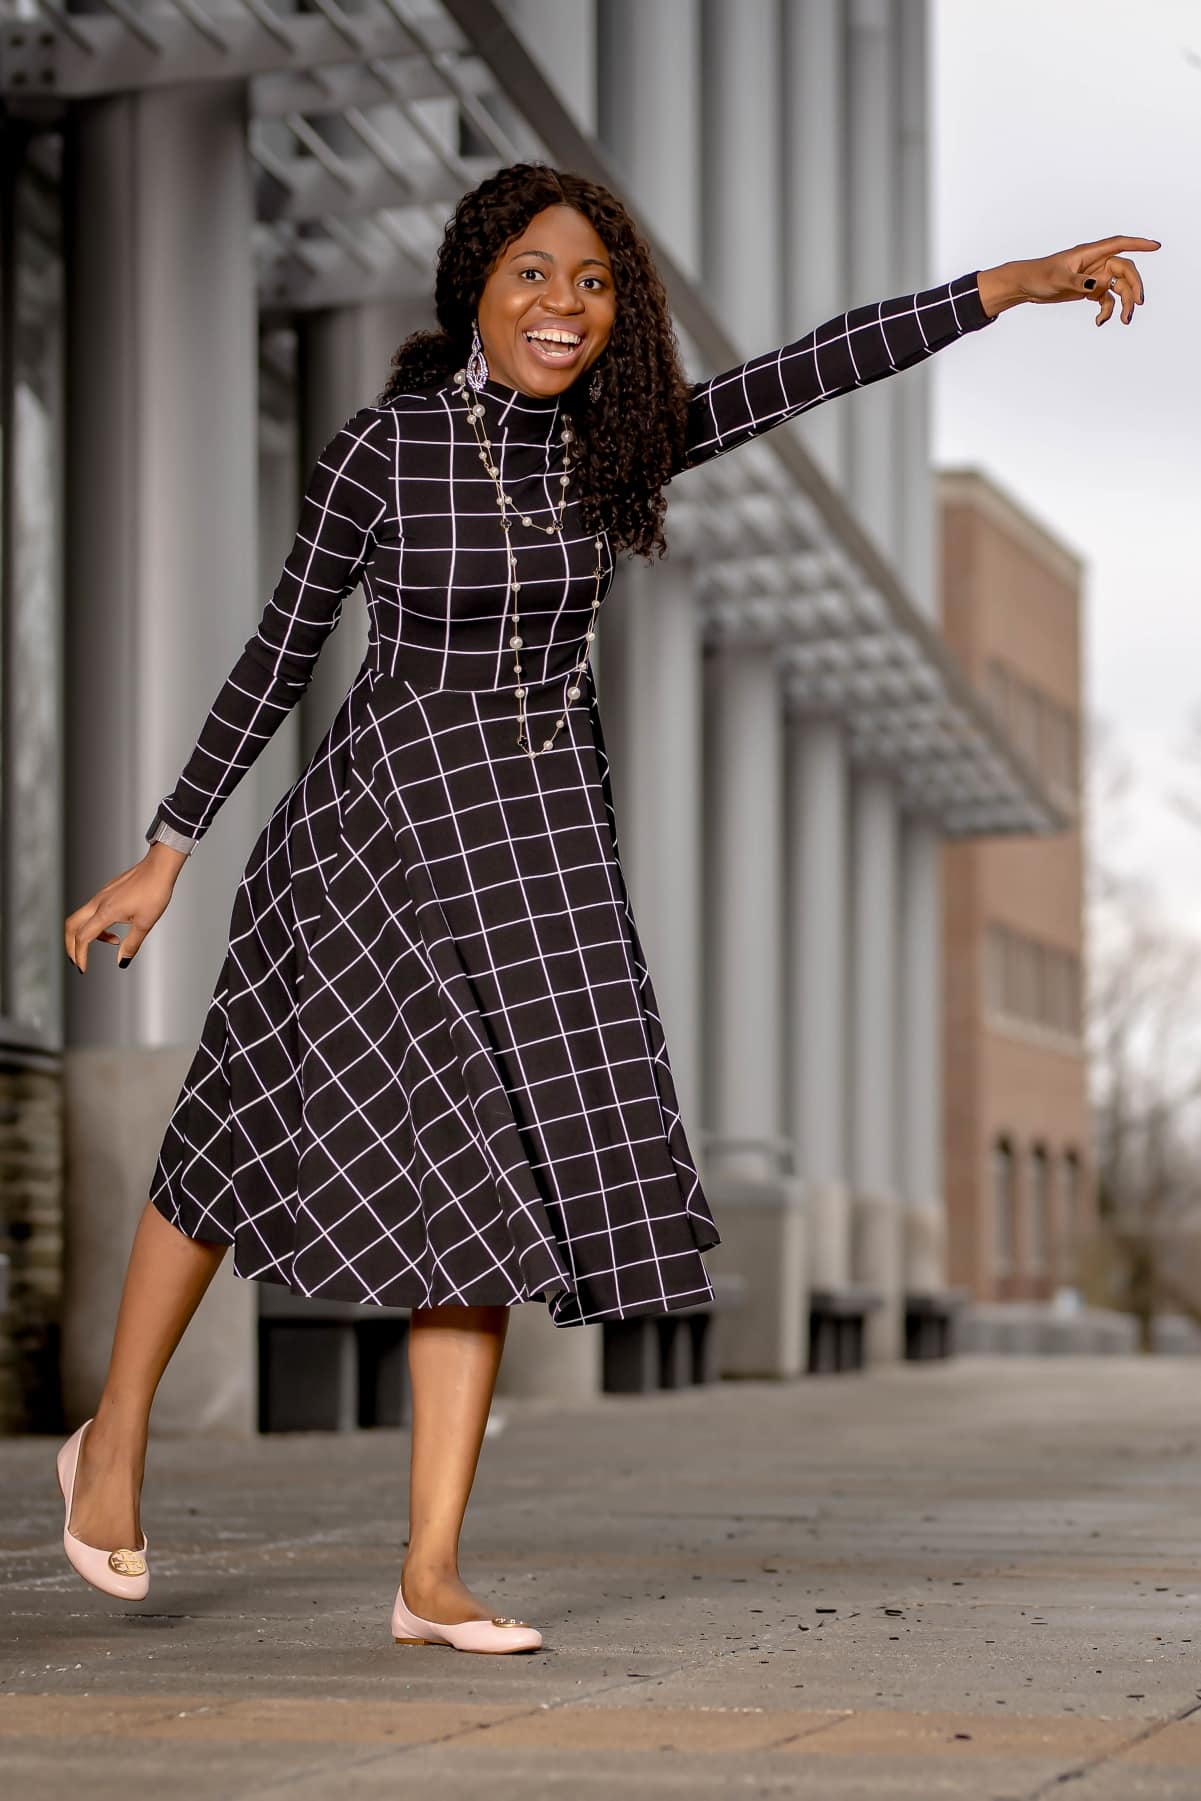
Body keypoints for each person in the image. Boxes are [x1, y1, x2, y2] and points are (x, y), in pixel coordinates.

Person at [58, 159, 1158, 1652]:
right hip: (368, 835)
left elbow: (806, 367)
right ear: (474, 287)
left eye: (591, 283)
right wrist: (166, 845)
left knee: (495, 1190)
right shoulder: (383, 452)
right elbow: (278, 650)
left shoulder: (613, 449)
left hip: (537, 856)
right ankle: (115, 1433)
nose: (564, 306)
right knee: (241, 1115)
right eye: (533, 274)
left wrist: (999, 291)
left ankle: (429, 1570)